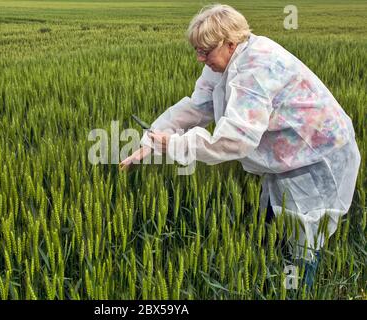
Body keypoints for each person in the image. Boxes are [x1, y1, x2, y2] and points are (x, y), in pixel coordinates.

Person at [119, 4, 361, 290]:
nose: (199, 58)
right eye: (197, 50)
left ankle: (297, 291)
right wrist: (151, 140)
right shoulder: (224, 61)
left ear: (230, 43)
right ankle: (274, 283)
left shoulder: (256, 68)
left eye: (205, 51)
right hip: (287, 157)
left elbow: (235, 140)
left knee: (302, 242)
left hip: (317, 158)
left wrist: (174, 145)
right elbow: (198, 106)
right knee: (274, 223)